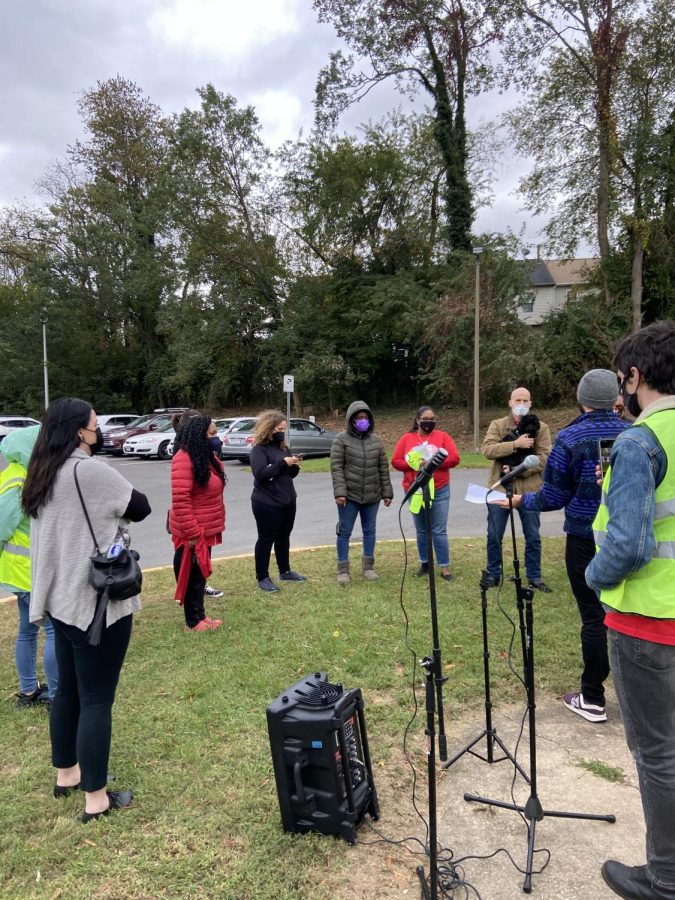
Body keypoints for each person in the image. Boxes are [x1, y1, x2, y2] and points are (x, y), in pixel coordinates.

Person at [22, 398, 150, 822]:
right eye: (96, 426)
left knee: (69, 692)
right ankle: (97, 799)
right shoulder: (88, 469)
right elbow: (140, 506)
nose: (100, 433)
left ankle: (67, 774)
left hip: (59, 600)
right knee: (97, 699)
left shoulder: (42, 471)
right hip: (96, 602)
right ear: (80, 431)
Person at [585, 321, 675, 899]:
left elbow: (630, 545)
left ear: (634, 377)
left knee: (657, 753)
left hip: (646, 623)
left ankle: (665, 876)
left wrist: (594, 578)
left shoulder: (641, 442)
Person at [500, 370, 629, 722]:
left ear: (581, 397)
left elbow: (554, 495)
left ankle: (593, 697)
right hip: (626, 537)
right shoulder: (635, 432)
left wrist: (519, 503)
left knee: (593, 617)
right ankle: (636, 696)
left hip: (586, 539)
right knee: (627, 616)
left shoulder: (571, 437)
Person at [0, 425, 58, 709]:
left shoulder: (15, 474)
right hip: (30, 573)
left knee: (28, 629)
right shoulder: (22, 480)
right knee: (53, 630)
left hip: (22, 572)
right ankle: (57, 696)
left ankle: (28, 690)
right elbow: (2, 527)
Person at [481, 386, 552, 591]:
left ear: (530, 403)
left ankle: (534, 576)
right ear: (510, 402)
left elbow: (545, 458)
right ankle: (494, 574)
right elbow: (487, 450)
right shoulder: (498, 425)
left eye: (525, 401)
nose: (521, 404)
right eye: (517, 400)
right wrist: (515, 444)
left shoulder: (542, 428)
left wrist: (518, 470)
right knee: (494, 534)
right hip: (500, 489)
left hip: (530, 490)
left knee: (532, 536)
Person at [169, 414, 226, 630]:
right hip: (193, 531)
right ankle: (192, 621)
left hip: (206, 528)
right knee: (192, 575)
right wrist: (192, 533)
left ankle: (201, 616)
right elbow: (181, 500)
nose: (217, 437)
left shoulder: (205, 456)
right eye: (212, 433)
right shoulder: (183, 458)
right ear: (198, 434)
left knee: (200, 576)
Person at [391, 406, 460, 581]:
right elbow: (395, 461)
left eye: (432, 418)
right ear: (418, 420)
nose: (429, 421)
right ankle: (425, 563)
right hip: (415, 489)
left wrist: (435, 461)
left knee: (438, 529)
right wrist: (413, 462)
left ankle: (444, 567)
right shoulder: (407, 438)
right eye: (425, 418)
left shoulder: (442, 437)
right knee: (421, 529)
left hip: (439, 488)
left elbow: (455, 458)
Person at [330, 401, 393, 584]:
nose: (362, 421)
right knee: (344, 531)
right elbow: (336, 468)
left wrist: (387, 493)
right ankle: (343, 569)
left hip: (372, 496)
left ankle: (368, 567)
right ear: (351, 420)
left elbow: (383, 468)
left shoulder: (377, 441)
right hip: (349, 496)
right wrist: (340, 493)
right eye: (359, 418)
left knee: (370, 530)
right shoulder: (341, 440)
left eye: (365, 418)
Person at [250, 411, 305, 592]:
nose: (282, 432)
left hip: (287, 499)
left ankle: (285, 571)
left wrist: (294, 465)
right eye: (279, 429)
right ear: (269, 428)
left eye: (284, 429)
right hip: (266, 502)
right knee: (266, 539)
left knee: (284, 536)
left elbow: (288, 475)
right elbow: (261, 474)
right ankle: (262, 577)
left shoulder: (283, 447)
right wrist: (282, 464)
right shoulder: (259, 449)